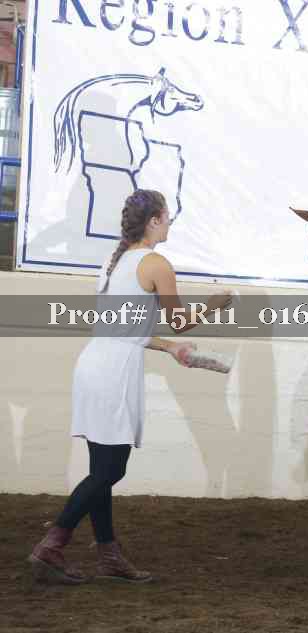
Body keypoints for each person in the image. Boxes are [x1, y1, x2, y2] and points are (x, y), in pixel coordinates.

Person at [27, 189, 233, 585]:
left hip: (94, 365)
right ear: (154, 220)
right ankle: (52, 544)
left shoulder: (114, 260)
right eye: (167, 217)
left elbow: (121, 328)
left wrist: (168, 347)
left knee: (101, 470)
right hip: (114, 373)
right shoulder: (156, 263)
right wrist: (214, 306)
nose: (169, 223)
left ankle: (109, 555)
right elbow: (179, 322)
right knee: (110, 470)